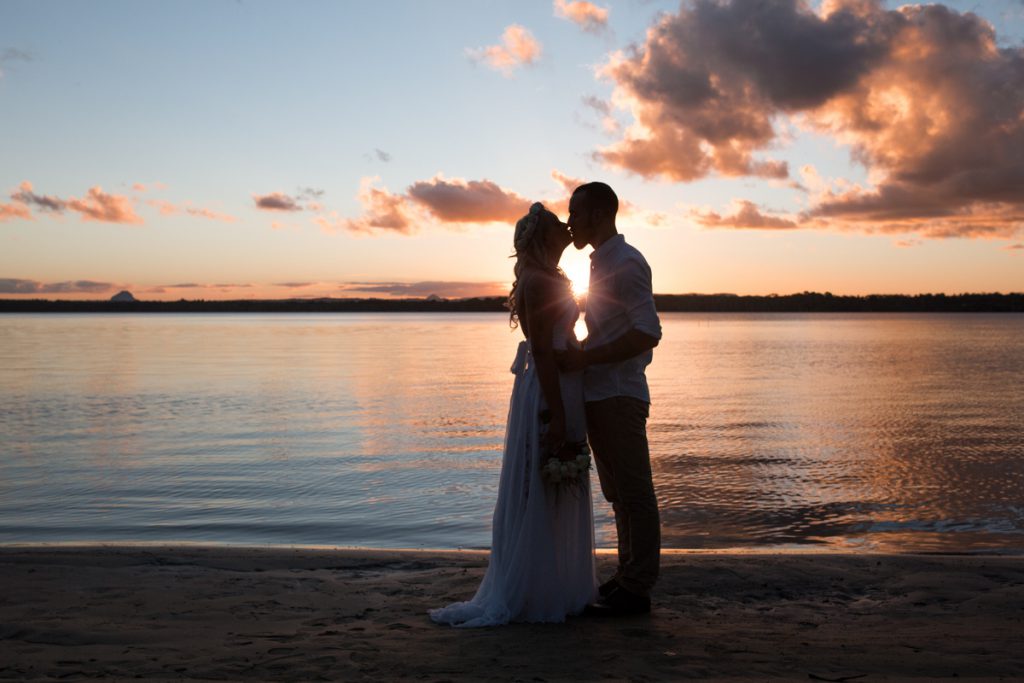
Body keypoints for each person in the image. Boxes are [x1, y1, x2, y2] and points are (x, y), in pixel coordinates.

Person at [429, 202, 597, 627]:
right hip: (548, 389)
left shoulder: (551, 278)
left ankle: (557, 582)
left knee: (558, 481)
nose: (567, 225)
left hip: (563, 384)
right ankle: (534, 589)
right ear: (543, 237)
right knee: (540, 480)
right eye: (558, 223)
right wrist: (556, 412)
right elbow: (542, 349)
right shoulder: (538, 282)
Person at [558, 181, 662, 617]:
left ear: (600, 213)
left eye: (576, 213)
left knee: (635, 492)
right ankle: (625, 578)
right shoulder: (601, 263)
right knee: (618, 493)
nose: (570, 222)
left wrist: (586, 358)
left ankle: (637, 587)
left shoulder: (627, 262)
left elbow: (647, 332)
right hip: (601, 393)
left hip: (620, 393)